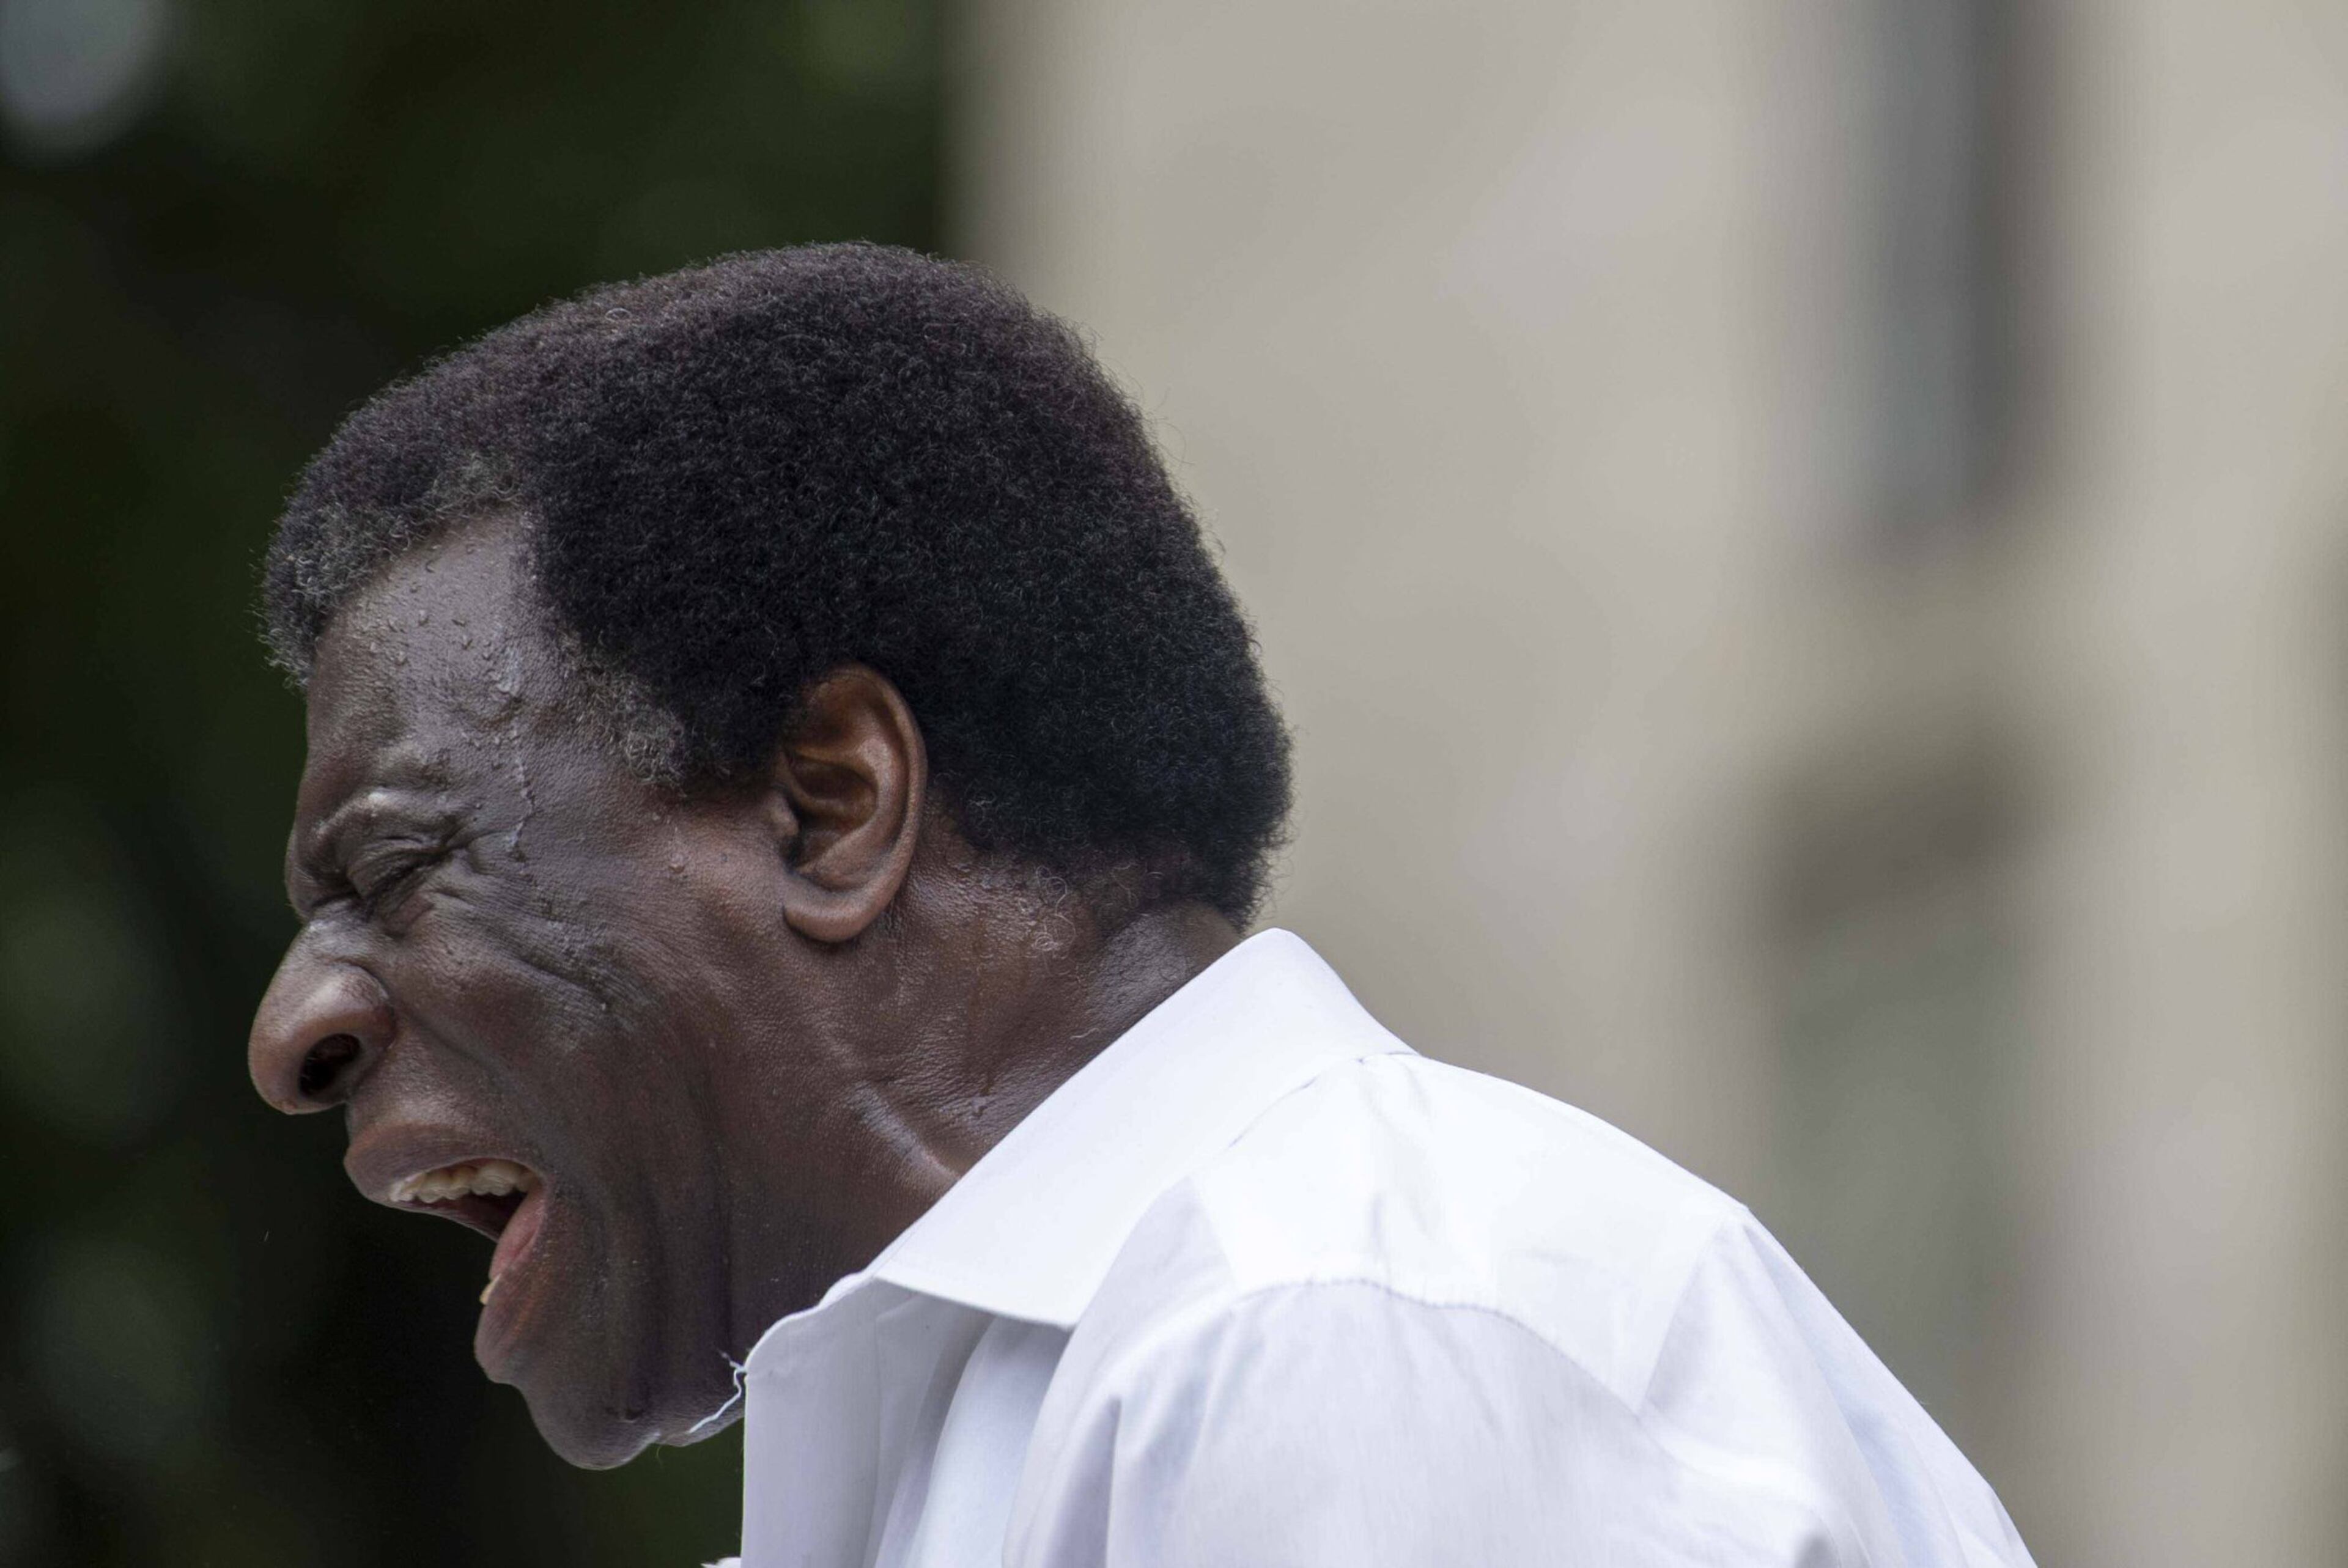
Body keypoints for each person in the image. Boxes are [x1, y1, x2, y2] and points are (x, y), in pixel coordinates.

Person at [246, 244, 2035, 1567]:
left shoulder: (1334, 1337)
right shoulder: (1056, 1427)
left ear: (832, 808)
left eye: (395, 871)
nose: (294, 1031)